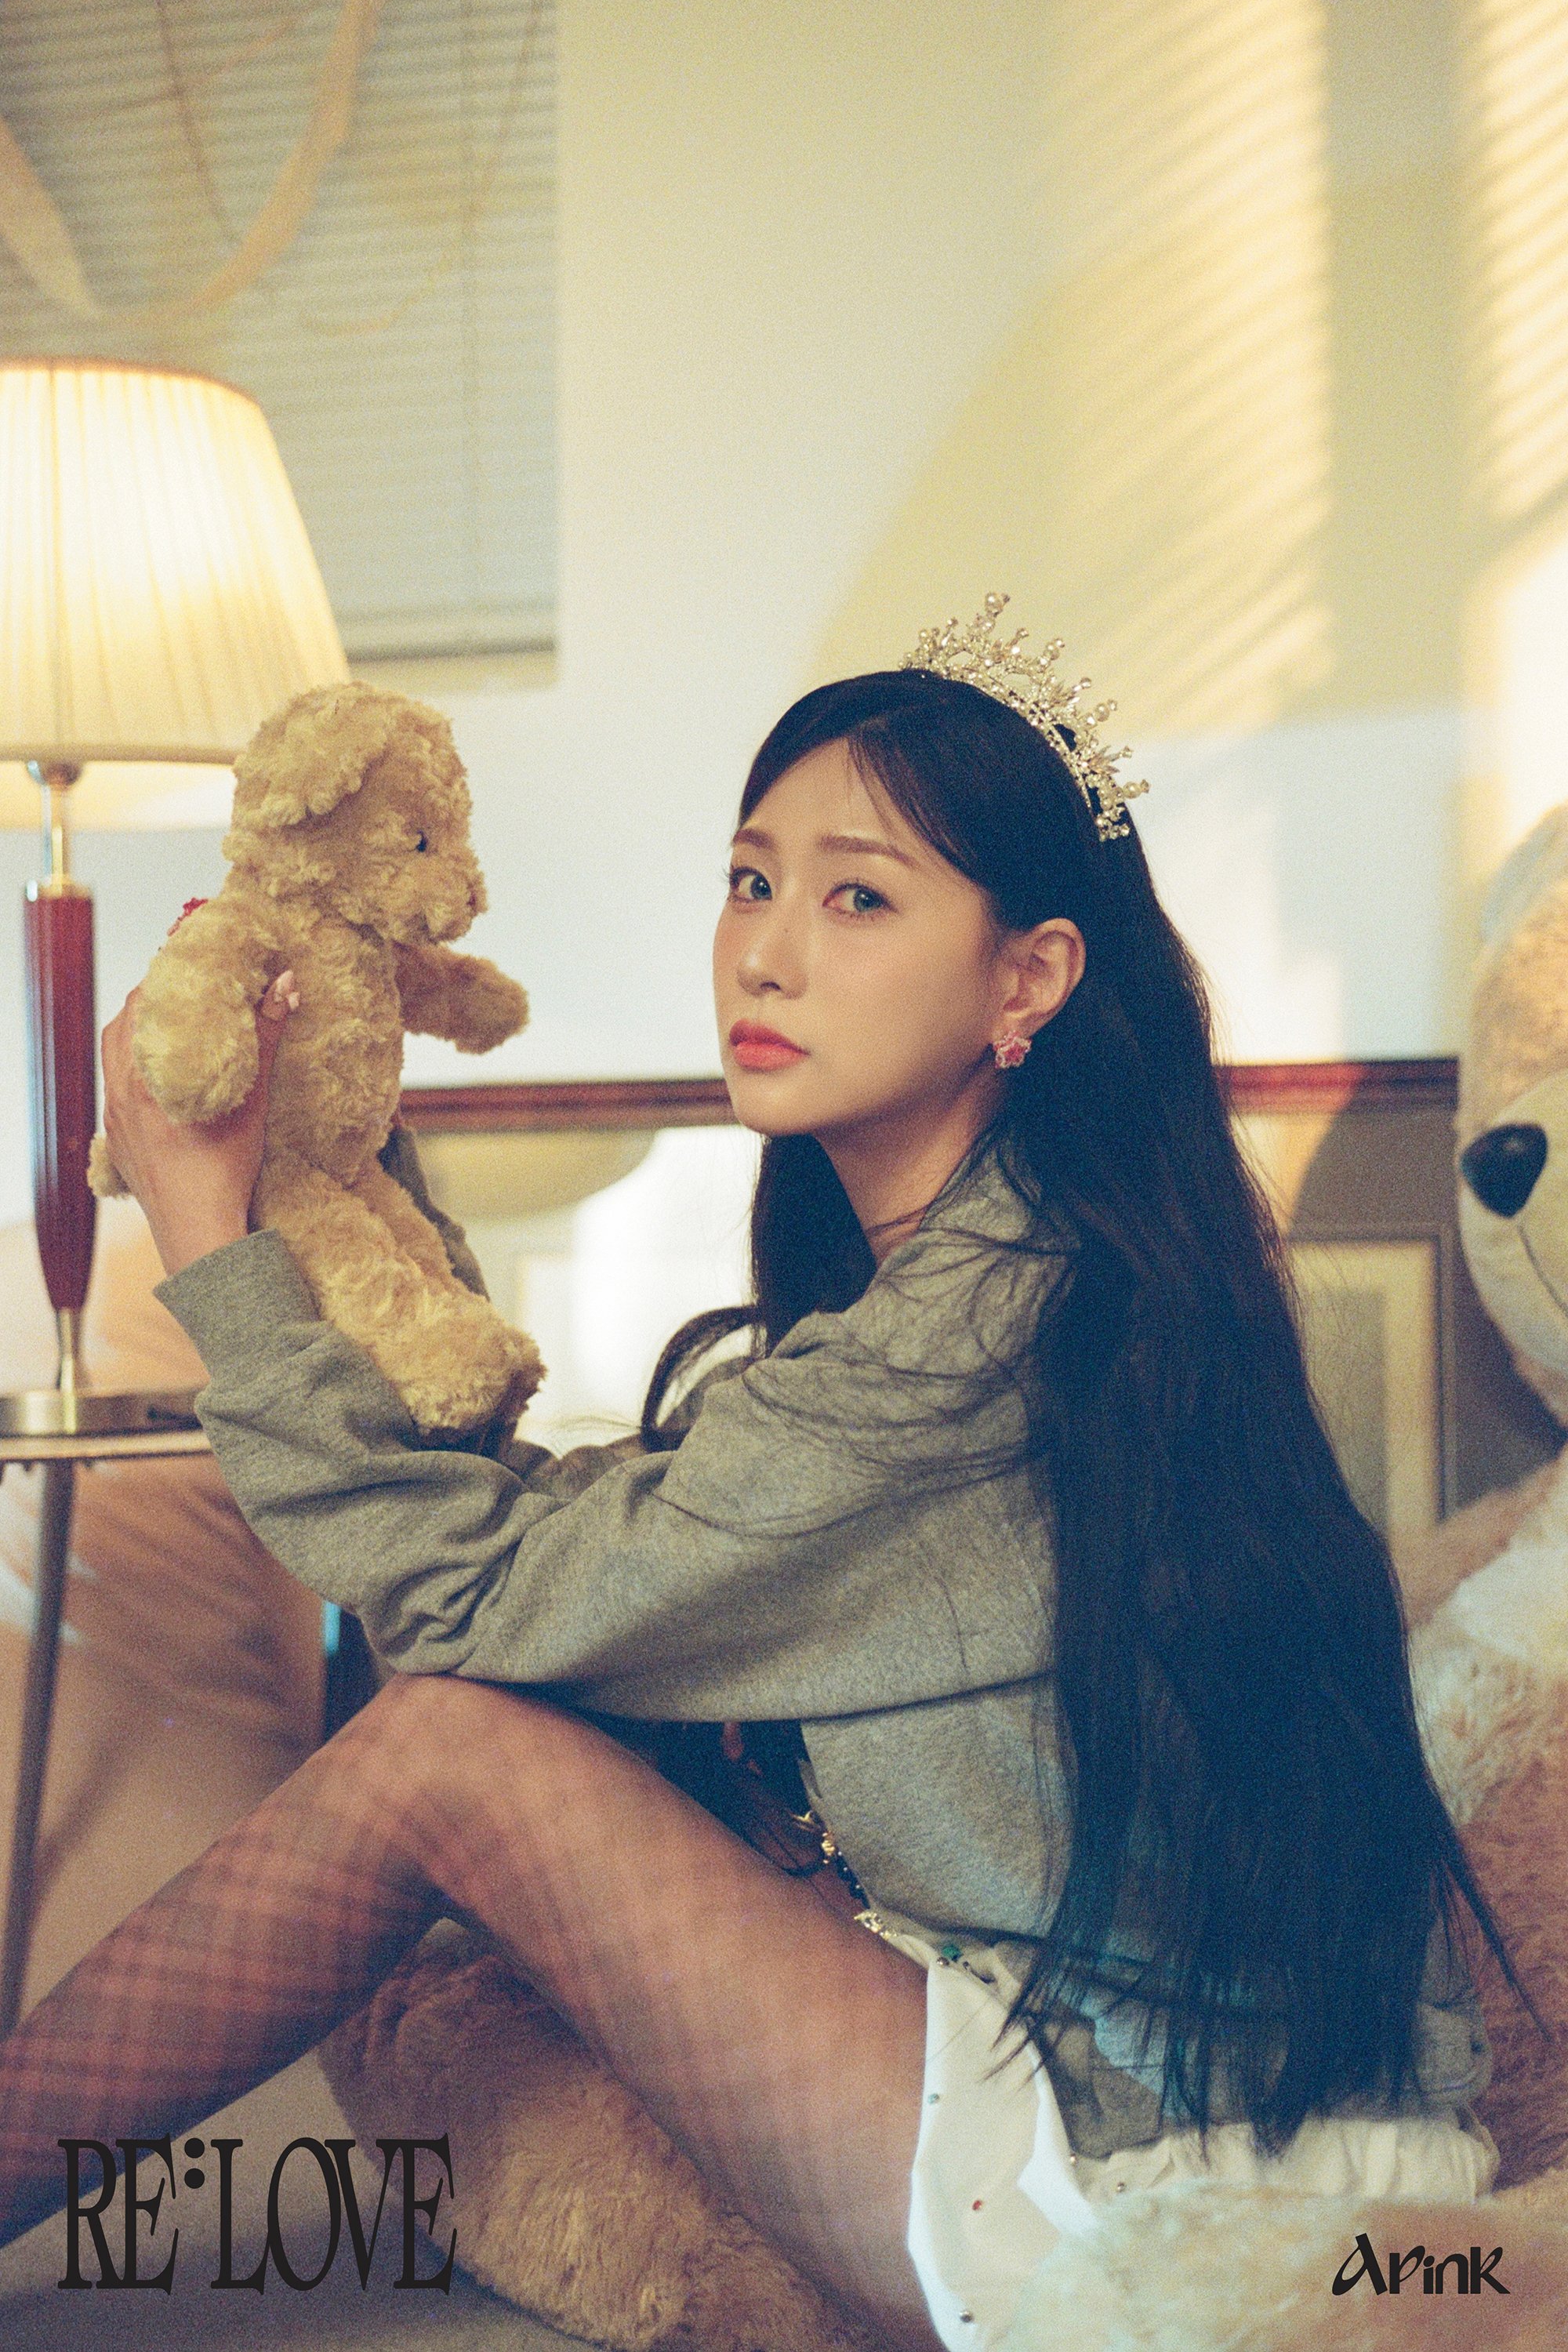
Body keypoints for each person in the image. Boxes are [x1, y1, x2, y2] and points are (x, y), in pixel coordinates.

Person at [0, 627, 1516, 2352]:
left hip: (1152, 2183)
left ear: (1028, 980)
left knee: (446, 1750)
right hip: (1158, 2093)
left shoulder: (978, 1337)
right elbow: (579, 1563)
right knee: (551, 1740)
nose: (768, 951)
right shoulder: (1008, 1277)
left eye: (856, 897)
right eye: (749, 880)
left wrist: (210, 1227)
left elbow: (477, 1603)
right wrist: (337, 1177)